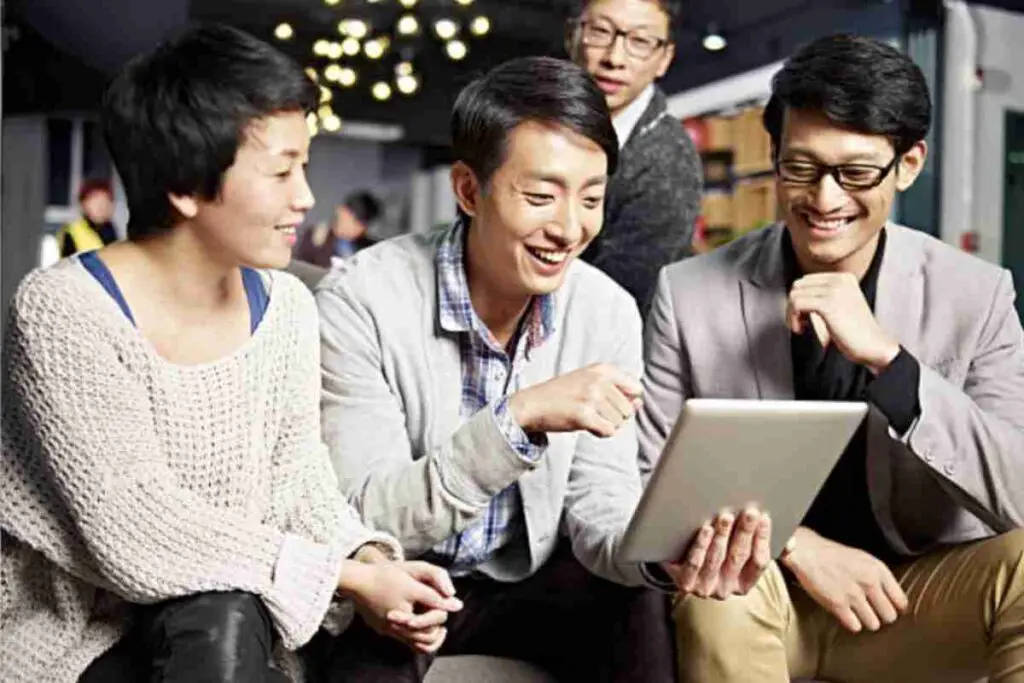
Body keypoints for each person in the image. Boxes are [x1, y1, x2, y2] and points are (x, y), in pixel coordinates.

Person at [0, 25, 460, 683]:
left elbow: (299, 475)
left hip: (244, 619)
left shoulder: (288, 309)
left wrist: (371, 558)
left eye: (304, 165)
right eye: (281, 170)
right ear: (187, 185)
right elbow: (136, 524)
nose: (305, 195)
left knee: (384, 631)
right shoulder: (63, 308)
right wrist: (343, 574)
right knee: (222, 610)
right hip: (90, 633)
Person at [309, 55, 771, 683]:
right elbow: (371, 514)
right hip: (403, 575)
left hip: (531, 579)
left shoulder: (604, 309)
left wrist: (660, 557)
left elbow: (598, 499)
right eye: (540, 197)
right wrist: (517, 419)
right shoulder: (361, 301)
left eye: (591, 199)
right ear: (469, 190)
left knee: (636, 602)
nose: (570, 228)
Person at [639, 34, 1024, 683]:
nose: (824, 199)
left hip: (911, 599)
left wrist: (889, 360)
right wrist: (798, 545)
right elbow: (650, 485)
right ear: (774, 157)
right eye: (801, 167)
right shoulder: (687, 293)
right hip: (763, 594)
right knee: (718, 587)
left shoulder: (978, 294)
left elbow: (1015, 491)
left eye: (855, 173)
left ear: (908, 165)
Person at [568, 0, 702, 316]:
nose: (615, 58)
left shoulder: (667, 160)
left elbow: (616, 305)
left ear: (664, 59)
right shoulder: (540, 126)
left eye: (640, 41)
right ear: (573, 34)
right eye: (600, 32)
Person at [296, 191, 381, 269]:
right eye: (351, 219)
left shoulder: (371, 247)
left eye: (361, 225)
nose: (355, 228)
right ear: (341, 211)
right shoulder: (316, 238)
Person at [57, 178, 120, 257]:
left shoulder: (112, 231)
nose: (101, 207)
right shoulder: (72, 231)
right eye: (95, 202)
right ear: (83, 204)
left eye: (106, 201)